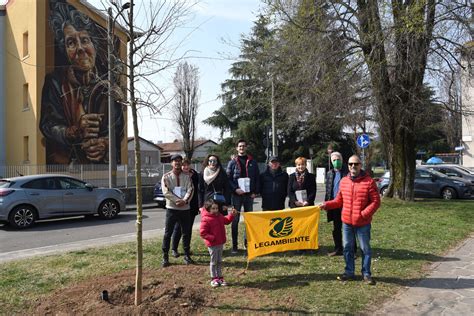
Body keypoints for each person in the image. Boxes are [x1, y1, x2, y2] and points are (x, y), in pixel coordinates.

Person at [41, 1, 124, 164]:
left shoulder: (108, 85)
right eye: (71, 42)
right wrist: (74, 131)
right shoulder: (55, 83)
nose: (80, 48)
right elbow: (48, 126)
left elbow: (118, 127)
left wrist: (104, 143)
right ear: (65, 50)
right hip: (67, 167)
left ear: (93, 44)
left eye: (85, 40)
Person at [320, 155, 381, 285]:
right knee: (347, 248)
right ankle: (349, 272)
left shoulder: (369, 182)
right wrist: (326, 205)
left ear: (360, 165)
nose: (353, 166)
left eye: (356, 164)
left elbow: (376, 202)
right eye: (350, 164)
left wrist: (364, 214)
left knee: (365, 249)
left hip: (362, 223)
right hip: (347, 223)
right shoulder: (344, 181)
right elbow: (339, 201)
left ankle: (366, 274)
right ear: (348, 166)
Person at [160, 154, 195, 267]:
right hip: (172, 209)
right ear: (171, 163)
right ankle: (165, 257)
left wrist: (184, 201)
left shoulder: (187, 176)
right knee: (168, 233)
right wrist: (176, 201)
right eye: (175, 161)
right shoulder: (166, 176)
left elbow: (191, 189)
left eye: (179, 161)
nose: (177, 163)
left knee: (186, 233)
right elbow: (166, 192)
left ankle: (187, 255)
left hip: (185, 209)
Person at [226, 139, 260, 254]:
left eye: (244, 146)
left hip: (249, 196)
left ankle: (248, 244)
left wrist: (255, 192)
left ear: (246, 148)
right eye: (240, 146)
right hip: (236, 195)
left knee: (249, 221)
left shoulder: (252, 162)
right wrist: (235, 189)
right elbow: (228, 179)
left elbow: (256, 178)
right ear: (237, 148)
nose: (242, 148)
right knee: (234, 220)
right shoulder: (232, 162)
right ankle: (235, 246)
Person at [200, 199, 237, 287]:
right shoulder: (206, 219)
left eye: (216, 208)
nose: (216, 210)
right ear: (208, 209)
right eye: (213, 208)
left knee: (219, 261)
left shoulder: (219, 216)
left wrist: (232, 215)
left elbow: (226, 221)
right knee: (214, 261)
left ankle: (220, 277)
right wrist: (212, 238)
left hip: (220, 243)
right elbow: (203, 233)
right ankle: (214, 278)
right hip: (212, 245)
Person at [170, 158, 199, 258]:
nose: (186, 167)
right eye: (183, 165)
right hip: (180, 206)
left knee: (188, 229)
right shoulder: (178, 175)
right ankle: (174, 248)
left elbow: (198, 189)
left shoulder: (195, 175)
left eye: (188, 165)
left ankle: (186, 248)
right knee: (178, 228)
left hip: (192, 206)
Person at [325, 152, 350, 256]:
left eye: (338, 159)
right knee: (336, 228)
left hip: (346, 205)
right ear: (331, 161)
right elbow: (328, 190)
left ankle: (350, 251)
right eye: (334, 160)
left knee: (348, 228)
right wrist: (327, 204)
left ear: (342, 160)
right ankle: (338, 249)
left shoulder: (348, 173)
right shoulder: (329, 173)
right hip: (334, 205)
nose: (336, 162)